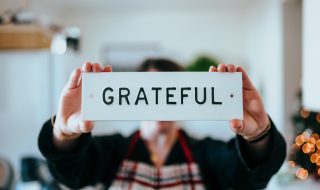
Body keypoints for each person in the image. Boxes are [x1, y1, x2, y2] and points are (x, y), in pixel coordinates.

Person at [38, 59, 286, 190]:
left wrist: (258, 136)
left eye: (170, 92)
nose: (161, 103)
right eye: (152, 91)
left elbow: (250, 179)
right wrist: (64, 132)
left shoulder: (207, 153)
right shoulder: (112, 149)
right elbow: (71, 175)